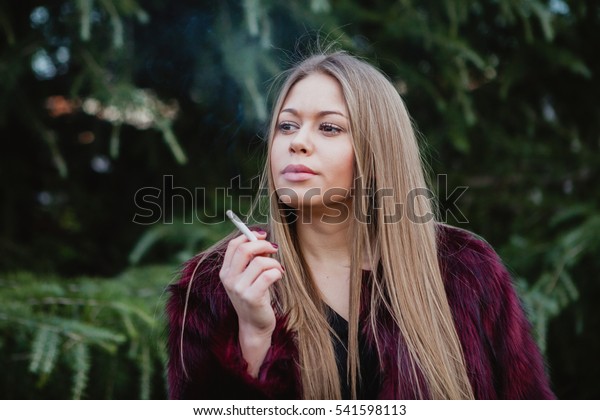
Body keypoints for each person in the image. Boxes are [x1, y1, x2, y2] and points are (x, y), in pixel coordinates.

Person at [166, 51, 555, 400]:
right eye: (287, 126)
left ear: (377, 150)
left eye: (329, 128)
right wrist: (253, 335)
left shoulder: (465, 270)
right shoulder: (214, 285)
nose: (298, 142)